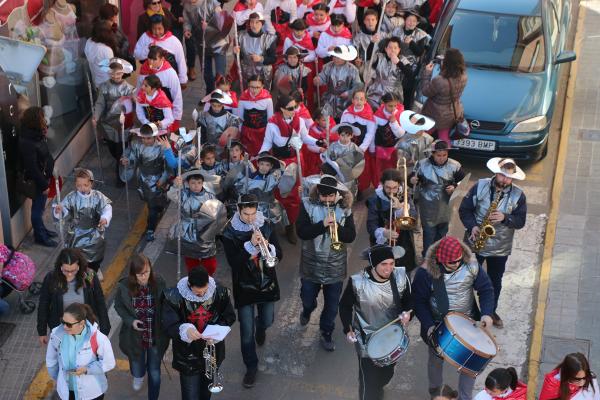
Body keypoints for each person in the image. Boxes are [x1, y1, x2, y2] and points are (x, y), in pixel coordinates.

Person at [412, 236, 495, 400]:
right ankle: (435, 391)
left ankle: (465, 397)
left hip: (468, 322)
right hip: (438, 325)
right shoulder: (425, 273)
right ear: (441, 259)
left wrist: (486, 313)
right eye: (451, 262)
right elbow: (419, 302)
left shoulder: (471, 265)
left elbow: (486, 289)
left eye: (459, 260)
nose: (456, 264)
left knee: (470, 364)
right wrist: (428, 325)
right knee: (436, 360)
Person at [221, 194, 283, 388]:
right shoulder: (229, 232)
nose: (250, 218)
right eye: (246, 214)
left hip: (266, 283)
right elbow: (234, 264)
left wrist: (267, 245)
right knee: (246, 333)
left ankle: (261, 326)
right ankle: (251, 367)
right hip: (244, 286)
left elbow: (278, 254)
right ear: (239, 211)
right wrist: (250, 246)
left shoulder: (265, 224)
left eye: (253, 213)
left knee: (268, 320)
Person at [458, 157, 526, 329]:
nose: (505, 181)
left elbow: (520, 221)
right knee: (467, 279)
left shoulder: (519, 195)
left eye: (509, 178)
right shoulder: (480, 186)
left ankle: (490, 312)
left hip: (500, 247)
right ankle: (469, 311)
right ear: (495, 173)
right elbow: (464, 209)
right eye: (502, 176)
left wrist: (506, 218)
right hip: (476, 242)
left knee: (495, 281)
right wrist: (472, 226)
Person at [339, 244, 412, 400]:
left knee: (386, 375)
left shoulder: (401, 276)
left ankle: (378, 388)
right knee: (368, 383)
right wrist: (348, 329)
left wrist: (408, 314)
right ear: (374, 264)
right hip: (366, 342)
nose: (389, 268)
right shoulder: (357, 282)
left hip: (392, 339)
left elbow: (410, 302)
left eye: (392, 263)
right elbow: (344, 306)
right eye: (384, 264)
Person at [296, 175, 356, 351]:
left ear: (337, 194)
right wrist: (322, 224)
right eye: (324, 196)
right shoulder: (307, 204)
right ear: (318, 193)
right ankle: (308, 309)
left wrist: (337, 226)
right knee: (307, 297)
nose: (328, 199)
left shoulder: (345, 208)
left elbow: (350, 236)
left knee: (332, 304)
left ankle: (326, 332)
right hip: (311, 262)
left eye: (331, 196)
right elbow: (302, 232)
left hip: (335, 263)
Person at [162, 267, 236, 400]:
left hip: (212, 352)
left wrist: (217, 332)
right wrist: (185, 330)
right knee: (190, 396)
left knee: (205, 394)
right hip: (188, 356)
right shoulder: (173, 296)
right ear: (189, 285)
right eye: (198, 293)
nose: (202, 295)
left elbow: (229, 316)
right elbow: (168, 324)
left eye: (205, 291)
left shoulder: (220, 292)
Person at [259, 94, 319, 244]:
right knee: (278, 196)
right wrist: (262, 155)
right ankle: (277, 221)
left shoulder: (299, 120)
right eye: (291, 108)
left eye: (295, 107)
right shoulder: (272, 124)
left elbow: (305, 138)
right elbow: (267, 143)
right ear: (281, 109)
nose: (294, 110)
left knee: (293, 197)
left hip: (296, 163)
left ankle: (291, 226)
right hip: (279, 164)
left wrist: (319, 142)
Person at [114, 253, 170, 399]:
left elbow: (166, 305)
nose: (144, 277)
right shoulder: (124, 286)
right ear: (133, 274)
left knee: (154, 372)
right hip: (135, 337)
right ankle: (138, 376)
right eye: (140, 274)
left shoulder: (159, 282)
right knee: (138, 368)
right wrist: (131, 321)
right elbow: (119, 306)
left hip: (155, 335)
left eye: (146, 272)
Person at [37, 248, 111, 346]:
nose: (70, 274)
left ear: (79, 267)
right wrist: (42, 332)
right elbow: (43, 304)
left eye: (73, 270)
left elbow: (100, 301)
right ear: (60, 267)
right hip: (62, 330)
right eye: (66, 270)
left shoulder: (89, 275)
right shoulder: (51, 278)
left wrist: (105, 329)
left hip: (86, 329)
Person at [46, 302, 115, 400]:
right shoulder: (56, 335)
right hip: (67, 393)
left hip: (92, 393)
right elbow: (51, 361)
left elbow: (109, 362)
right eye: (63, 322)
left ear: (81, 323)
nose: (64, 327)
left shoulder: (99, 338)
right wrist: (59, 379)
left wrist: (87, 369)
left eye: (69, 324)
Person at [52, 169, 112, 276]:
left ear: (91, 184)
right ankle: (81, 275)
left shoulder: (98, 196)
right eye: (79, 185)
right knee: (76, 257)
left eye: (85, 185)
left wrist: (105, 218)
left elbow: (107, 208)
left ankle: (95, 270)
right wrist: (59, 210)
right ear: (75, 184)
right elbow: (64, 208)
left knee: (96, 257)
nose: (82, 188)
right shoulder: (72, 197)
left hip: (94, 234)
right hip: (76, 235)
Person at [167, 168, 227, 275]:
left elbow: (217, 212)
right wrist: (176, 186)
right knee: (191, 263)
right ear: (188, 183)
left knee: (210, 264)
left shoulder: (210, 195)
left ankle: (207, 280)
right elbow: (171, 195)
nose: (196, 186)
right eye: (193, 183)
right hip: (187, 232)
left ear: (203, 183)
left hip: (205, 232)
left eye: (199, 183)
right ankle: (194, 281)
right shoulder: (183, 194)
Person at [413, 140, 466, 256]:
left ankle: (438, 255)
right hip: (428, 206)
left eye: (444, 155)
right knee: (429, 233)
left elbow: (464, 180)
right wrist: (412, 180)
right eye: (438, 155)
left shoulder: (454, 165)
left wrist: (455, 187)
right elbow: (411, 179)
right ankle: (427, 257)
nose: (442, 158)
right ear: (432, 154)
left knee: (442, 232)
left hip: (446, 205)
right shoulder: (422, 164)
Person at [120, 123, 169, 242]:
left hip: (157, 179)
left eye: (148, 138)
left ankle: (150, 229)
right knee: (150, 203)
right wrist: (127, 161)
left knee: (153, 206)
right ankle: (156, 212)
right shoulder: (136, 145)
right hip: (142, 178)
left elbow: (168, 166)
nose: (145, 141)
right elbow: (131, 157)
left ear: (155, 137)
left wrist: (162, 179)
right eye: (143, 138)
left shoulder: (162, 147)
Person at [18, 106, 57, 247]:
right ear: (35, 120)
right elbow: (32, 168)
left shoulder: (34, 134)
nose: (44, 120)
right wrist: (44, 185)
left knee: (39, 208)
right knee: (37, 210)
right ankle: (40, 237)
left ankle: (42, 231)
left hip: (44, 175)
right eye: (41, 117)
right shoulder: (28, 141)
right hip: (39, 180)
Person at [93, 58, 135, 186]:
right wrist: (96, 116)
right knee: (112, 148)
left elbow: (132, 106)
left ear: (122, 73)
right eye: (112, 74)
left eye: (118, 73)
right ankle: (120, 161)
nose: (115, 76)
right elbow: (100, 103)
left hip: (124, 123)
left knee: (121, 149)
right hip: (108, 122)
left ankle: (120, 175)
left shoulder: (129, 88)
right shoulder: (104, 86)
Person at [366, 168, 417, 272]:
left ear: (399, 185)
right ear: (382, 184)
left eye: (395, 188)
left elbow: (413, 221)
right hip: (382, 244)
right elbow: (371, 225)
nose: (391, 191)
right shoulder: (375, 199)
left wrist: (400, 209)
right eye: (388, 188)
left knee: (403, 272)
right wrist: (383, 232)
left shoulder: (405, 195)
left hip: (404, 242)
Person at [420, 48, 467, 143]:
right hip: (451, 115)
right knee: (444, 139)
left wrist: (427, 73)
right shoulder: (464, 76)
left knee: (423, 137)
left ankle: (421, 154)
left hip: (434, 114)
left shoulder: (439, 80)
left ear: (447, 63)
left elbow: (425, 91)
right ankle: (443, 156)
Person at [182, 0, 229, 93]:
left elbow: (223, 23)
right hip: (202, 43)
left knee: (220, 72)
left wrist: (209, 27)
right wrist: (187, 29)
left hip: (218, 42)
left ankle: (221, 95)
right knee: (206, 72)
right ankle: (210, 93)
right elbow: (187, 21)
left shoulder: (212, 3)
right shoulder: (187, 5)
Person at [134, 14, 188, 87]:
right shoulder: (145, 37)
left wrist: (182, 79)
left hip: (167, 79)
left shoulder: (173, 41)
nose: (156, 32)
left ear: (165, 27)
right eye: (154, 28)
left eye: (159, 28)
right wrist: (147, 49)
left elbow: (181, 60)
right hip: (149, 80)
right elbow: (137, 55)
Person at [137, 46, 184, 130]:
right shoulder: (144, 69)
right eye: (149, 58)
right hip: (147, 108)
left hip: (165, 109)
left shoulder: (170, 73)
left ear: (162, 59)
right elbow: (139, 89)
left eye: (154, 59)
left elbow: (177, 95)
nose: (150, 62)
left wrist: (176, 117)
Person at [314, 44, 362, 120]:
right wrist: (318, 80)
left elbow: (358, 85)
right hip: (329, 99)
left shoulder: (352, 69)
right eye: (334, 56)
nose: (336, 59)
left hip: (345, 101)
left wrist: (349, 93)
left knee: (343, 119)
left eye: (338, 57)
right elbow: (322, 77)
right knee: (327, 120)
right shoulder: (327, 66)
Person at [366, 37, 413, 108]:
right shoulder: (379, 57)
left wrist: (398, 63)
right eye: (390, 47)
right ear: (385, 49)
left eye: (395, 48)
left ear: (399, 50)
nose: (392, 50)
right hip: (377, 90)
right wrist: (372, 43)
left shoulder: (403, 60)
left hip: (394, 93)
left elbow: (410, 74)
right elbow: (369, 57)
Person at [234, 12, 278, 89]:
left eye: (257, 22)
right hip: (247, 72)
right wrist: (236, 53)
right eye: (252, 22)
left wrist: (261, 59)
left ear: (262, 23)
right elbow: (240, 58)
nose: (254, 25)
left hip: (263, 73)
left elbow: (273, 59)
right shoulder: (240, 36)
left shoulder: (269, 39)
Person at [236, 75, 274, 157]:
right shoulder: (243, 98)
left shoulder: (267, 99)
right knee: (248, 156)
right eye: (252, 87)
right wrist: (239, 133)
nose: (254, 90)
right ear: (248, 85)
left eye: (257, 87)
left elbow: (270, 119)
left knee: (262, 156)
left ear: (262, 86)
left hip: (262, 133)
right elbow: (240, 118)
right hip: (247, 134)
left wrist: (269, 135)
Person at [197, 89, 242, 158]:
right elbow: (201, 136)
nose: (216, 108)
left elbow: (233, 139)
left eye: (219, 105)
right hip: (208, 151)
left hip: (224, 152)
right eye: (214, 105)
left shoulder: (230, 118)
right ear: (210, 104)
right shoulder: (203, 116)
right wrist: (204, 149)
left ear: (223, 104)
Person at [325, 123, 364, 197]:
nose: (345, 138)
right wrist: (335, 165)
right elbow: (328, 158)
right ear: (338, 135)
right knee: (337, 195)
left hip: (349, 175)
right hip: (336, 175)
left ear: (352, 136)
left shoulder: (354, 147)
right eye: (342, 135)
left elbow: (359, 161)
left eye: (348, 136)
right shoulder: (333, 146)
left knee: (348, 195)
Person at [373, 92, 405, 177]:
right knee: (381, 172)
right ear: (384, 104)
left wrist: (394, 122)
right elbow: (373, 132)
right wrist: (372, 148)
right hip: (380, 148)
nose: (393, 108)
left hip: (394, 149)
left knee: (393, 172)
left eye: (395, 105)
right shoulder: (377, 116)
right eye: (390, 106)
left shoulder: (400, 114)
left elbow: (400, 134)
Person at [84, 21, 116, 87]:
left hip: (95, 81)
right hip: (107, 83)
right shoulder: (106, 50)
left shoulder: (89, 42)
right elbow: (111, 70)